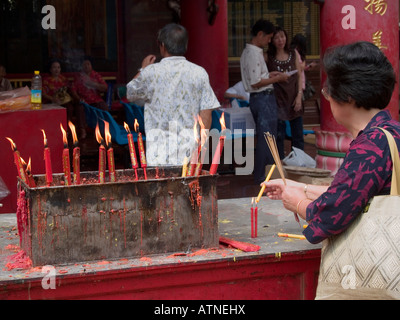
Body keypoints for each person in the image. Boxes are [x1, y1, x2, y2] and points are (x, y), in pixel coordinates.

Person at [262, 42, 399, 297]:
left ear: (348, 96)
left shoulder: (370, 147)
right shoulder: (390, 133)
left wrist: (298, 202)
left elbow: (330, 217)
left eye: (328, 89)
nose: (326, 95)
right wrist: (297, 186)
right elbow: (352, 193)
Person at [126, 23, 220, 167]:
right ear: (186, 45)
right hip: (189, 151)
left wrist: (142, 69)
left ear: (162, 45)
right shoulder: (199, 73)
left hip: (158, 151)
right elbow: (206, 112)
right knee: (187, 189)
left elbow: (130, 93)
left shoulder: (151, 73)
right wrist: (201, 146)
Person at [240, 19, 289, 184]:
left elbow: (258, 78)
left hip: (259, 99)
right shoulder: (253, 53)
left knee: (267, 137)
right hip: (262, 98)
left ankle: (266, 173)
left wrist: (271, 75)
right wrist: (278, 78)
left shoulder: (250, 52)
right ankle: (262, 175)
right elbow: (256, 82)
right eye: (268, 37)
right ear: (260, 35)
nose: (270, 41)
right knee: (266, 138)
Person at [267, 26, 303, 159]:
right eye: (276, 38)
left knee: (298, 135)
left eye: (282, 36)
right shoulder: (268, 57)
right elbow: (263, 76)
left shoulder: (293, 53)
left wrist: (299, 95)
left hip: (294, 97)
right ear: (271, 40)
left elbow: (299, 75)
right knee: (279, 136)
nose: (280, 40)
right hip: (277, 100)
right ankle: (280, 165)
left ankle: (299, 163)